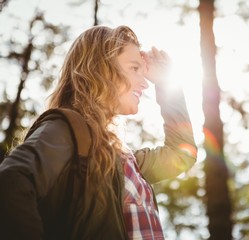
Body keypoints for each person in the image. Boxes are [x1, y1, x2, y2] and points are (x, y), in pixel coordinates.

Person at [0, 25, 197, 239]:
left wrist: (167, 83)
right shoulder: (67, 129)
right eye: (134, 68)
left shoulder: (123, 161)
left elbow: (182, 154)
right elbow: (11, 181)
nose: (145, 83)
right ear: (101, 69)